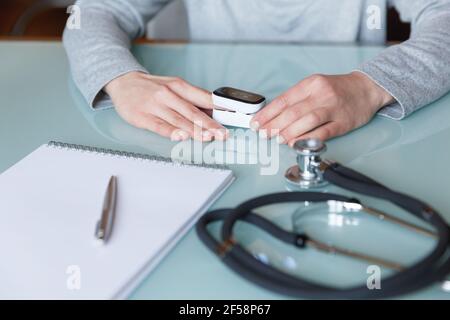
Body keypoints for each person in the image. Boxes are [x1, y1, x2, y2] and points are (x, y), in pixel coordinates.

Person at [63, 0, 450, 146]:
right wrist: (122, 79)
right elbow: (92, 13)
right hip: (212, 143)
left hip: (348, 143)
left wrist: (370, 87)